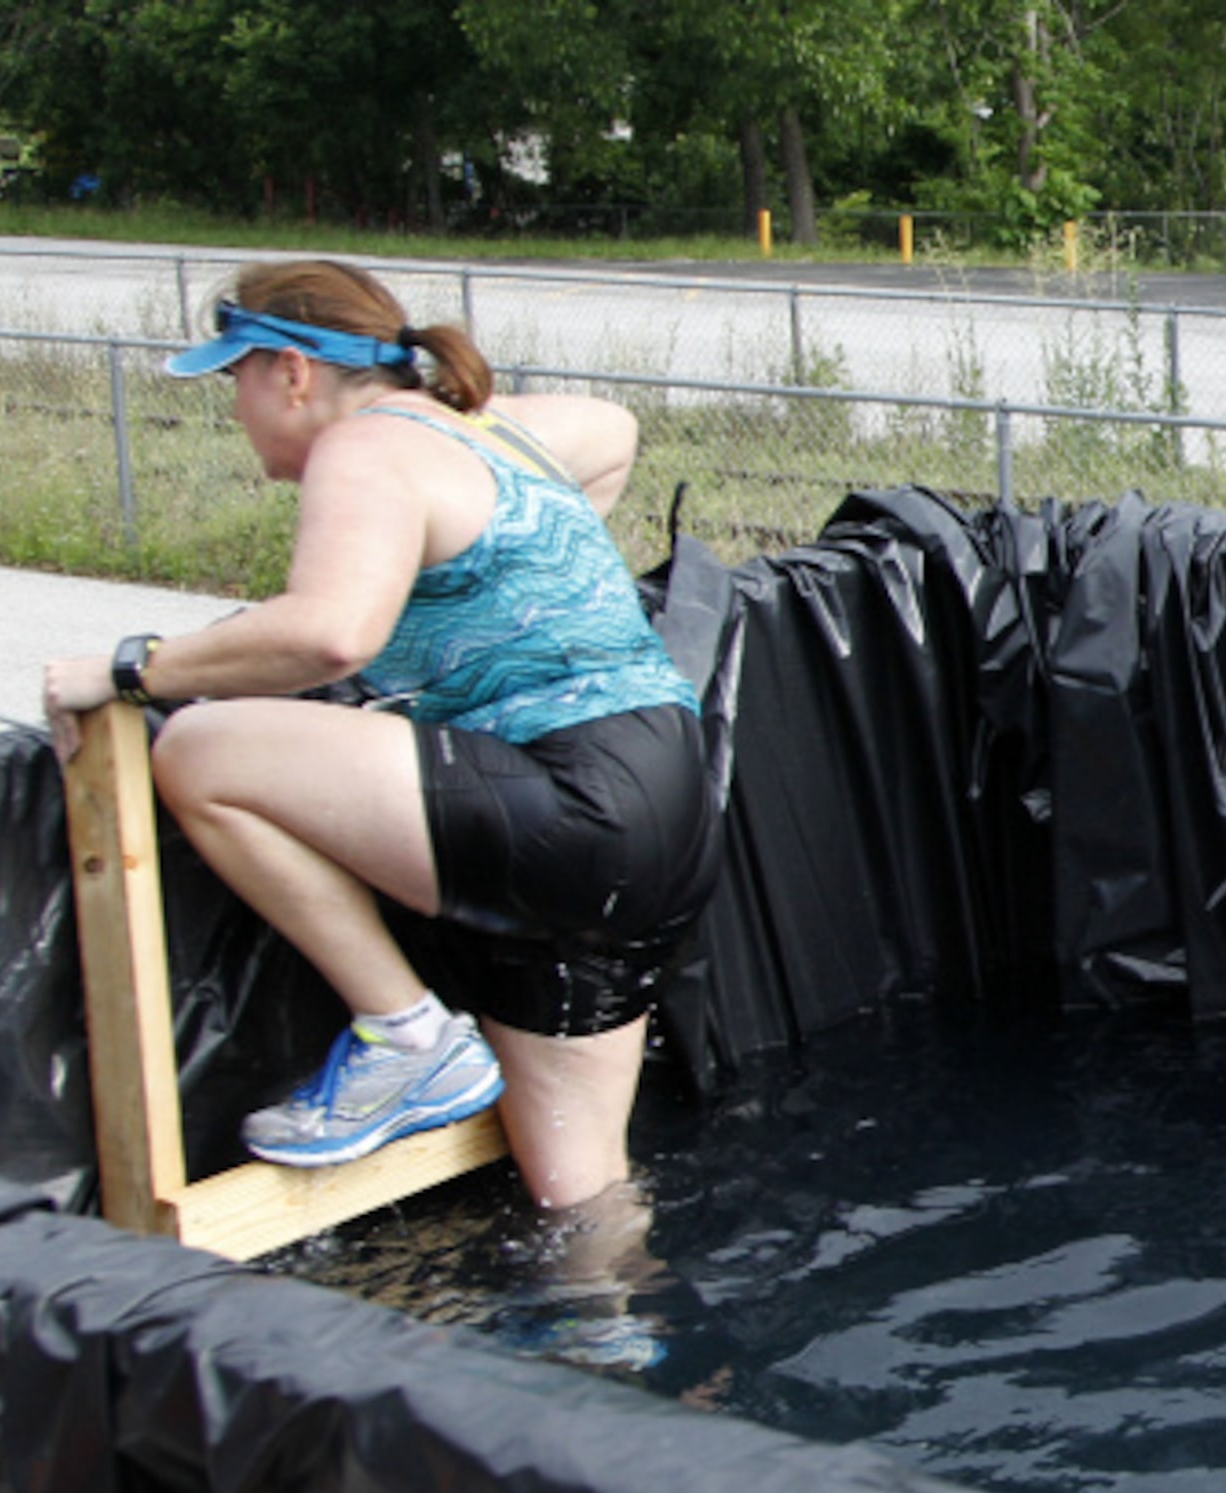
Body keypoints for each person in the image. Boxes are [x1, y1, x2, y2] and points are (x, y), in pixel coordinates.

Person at [44, 260, 721, 1214]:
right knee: (579, 1192)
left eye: (232, 381)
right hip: (670, 799)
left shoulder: (363, 447)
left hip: (568, 804)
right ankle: (601, 1339)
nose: (232, 411)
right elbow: (612, 435)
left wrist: (128, 670)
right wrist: (504, 609)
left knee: (198, 752)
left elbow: (328, 634)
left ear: (289, 371)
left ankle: (406, 1034)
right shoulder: (482, 429)